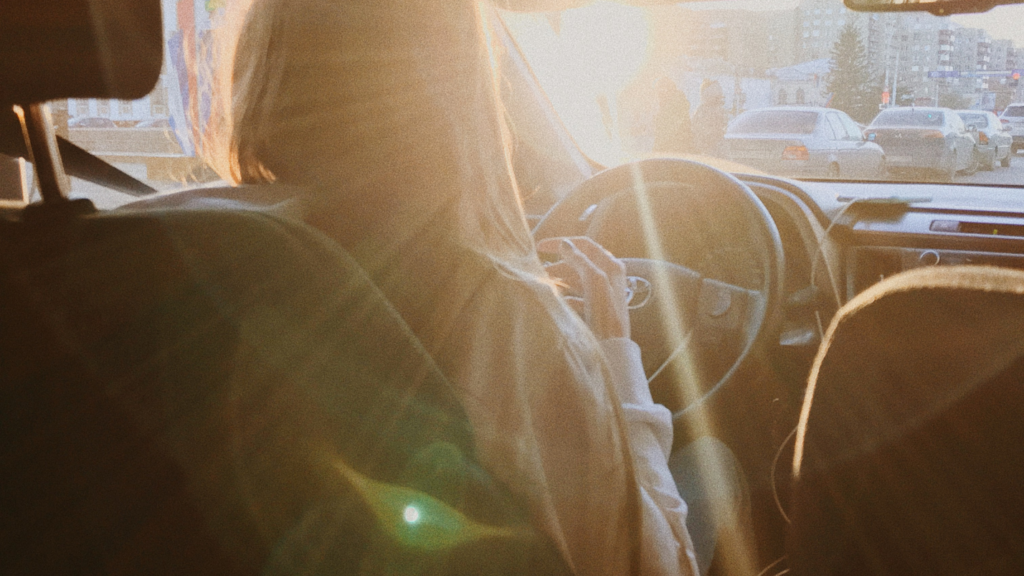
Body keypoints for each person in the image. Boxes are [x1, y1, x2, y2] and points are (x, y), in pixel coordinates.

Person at [129, 1, 749, 574]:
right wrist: (614, 357)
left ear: (266, 57)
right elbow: (660, 568)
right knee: (712, 467)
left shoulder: (143, 244)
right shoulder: (502, 317)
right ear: (462, 87)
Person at [653, 78, 694, 155]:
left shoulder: (670, 110)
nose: (658, 96)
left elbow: (662, 138)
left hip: (672, 155)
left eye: (661, 91)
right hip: (682, 154)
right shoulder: (677, 106)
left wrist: (655, 155)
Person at [691, 80, 728, 157]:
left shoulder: (702, 110)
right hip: (713, 148)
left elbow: (696, 130)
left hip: (708, 149)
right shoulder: (718, 109)